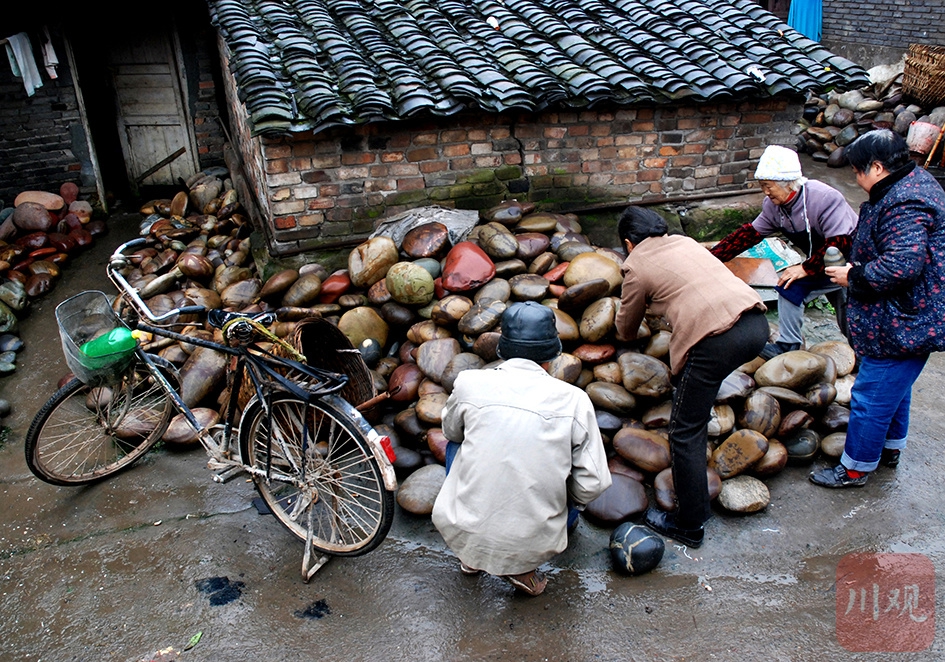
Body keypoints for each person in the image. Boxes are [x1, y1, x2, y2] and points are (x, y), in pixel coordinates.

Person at [431, 301, 611, 596]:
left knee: (457, 440)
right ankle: (522, 567)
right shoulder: (574, 400)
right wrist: (567, 500)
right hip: (534, 539)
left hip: (462, 526)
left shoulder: (469, 383)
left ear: (502, 348)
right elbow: (594, 482)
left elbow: (451, 432)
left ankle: (472, 553)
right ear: (552, 355)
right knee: (570, 476)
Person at [614, 206, 768, 547]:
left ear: (628, 243)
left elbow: (626, 328)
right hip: (756, 325)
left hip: (715, 342)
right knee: (698, 389)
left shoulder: (636, 265)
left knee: (685, 432)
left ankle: (689, 524)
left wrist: (625, 327)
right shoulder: (685, 242)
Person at [810, 129, 945, 488]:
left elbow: (902, 265)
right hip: (910, 314)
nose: (855, 178)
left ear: (878, 167)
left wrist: (854, 276)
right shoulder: (913, 182)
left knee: (871, 394)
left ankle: (855, 469)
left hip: (906, 318)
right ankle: (889, 448)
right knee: (894, 390)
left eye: (858, 171)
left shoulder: (905, 202)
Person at [710, 144, 858, 358]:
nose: (765, 191)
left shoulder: (824, 198)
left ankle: (863, 353)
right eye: (762, 186)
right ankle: (789, 345)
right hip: (820, 260)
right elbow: (748, 235)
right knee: (790, 286)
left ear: (788, 183)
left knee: (850, 308)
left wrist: (805, 269)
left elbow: (840, 243)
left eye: (768, 186)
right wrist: (711, 258)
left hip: (849, 258)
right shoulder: (774, 206)